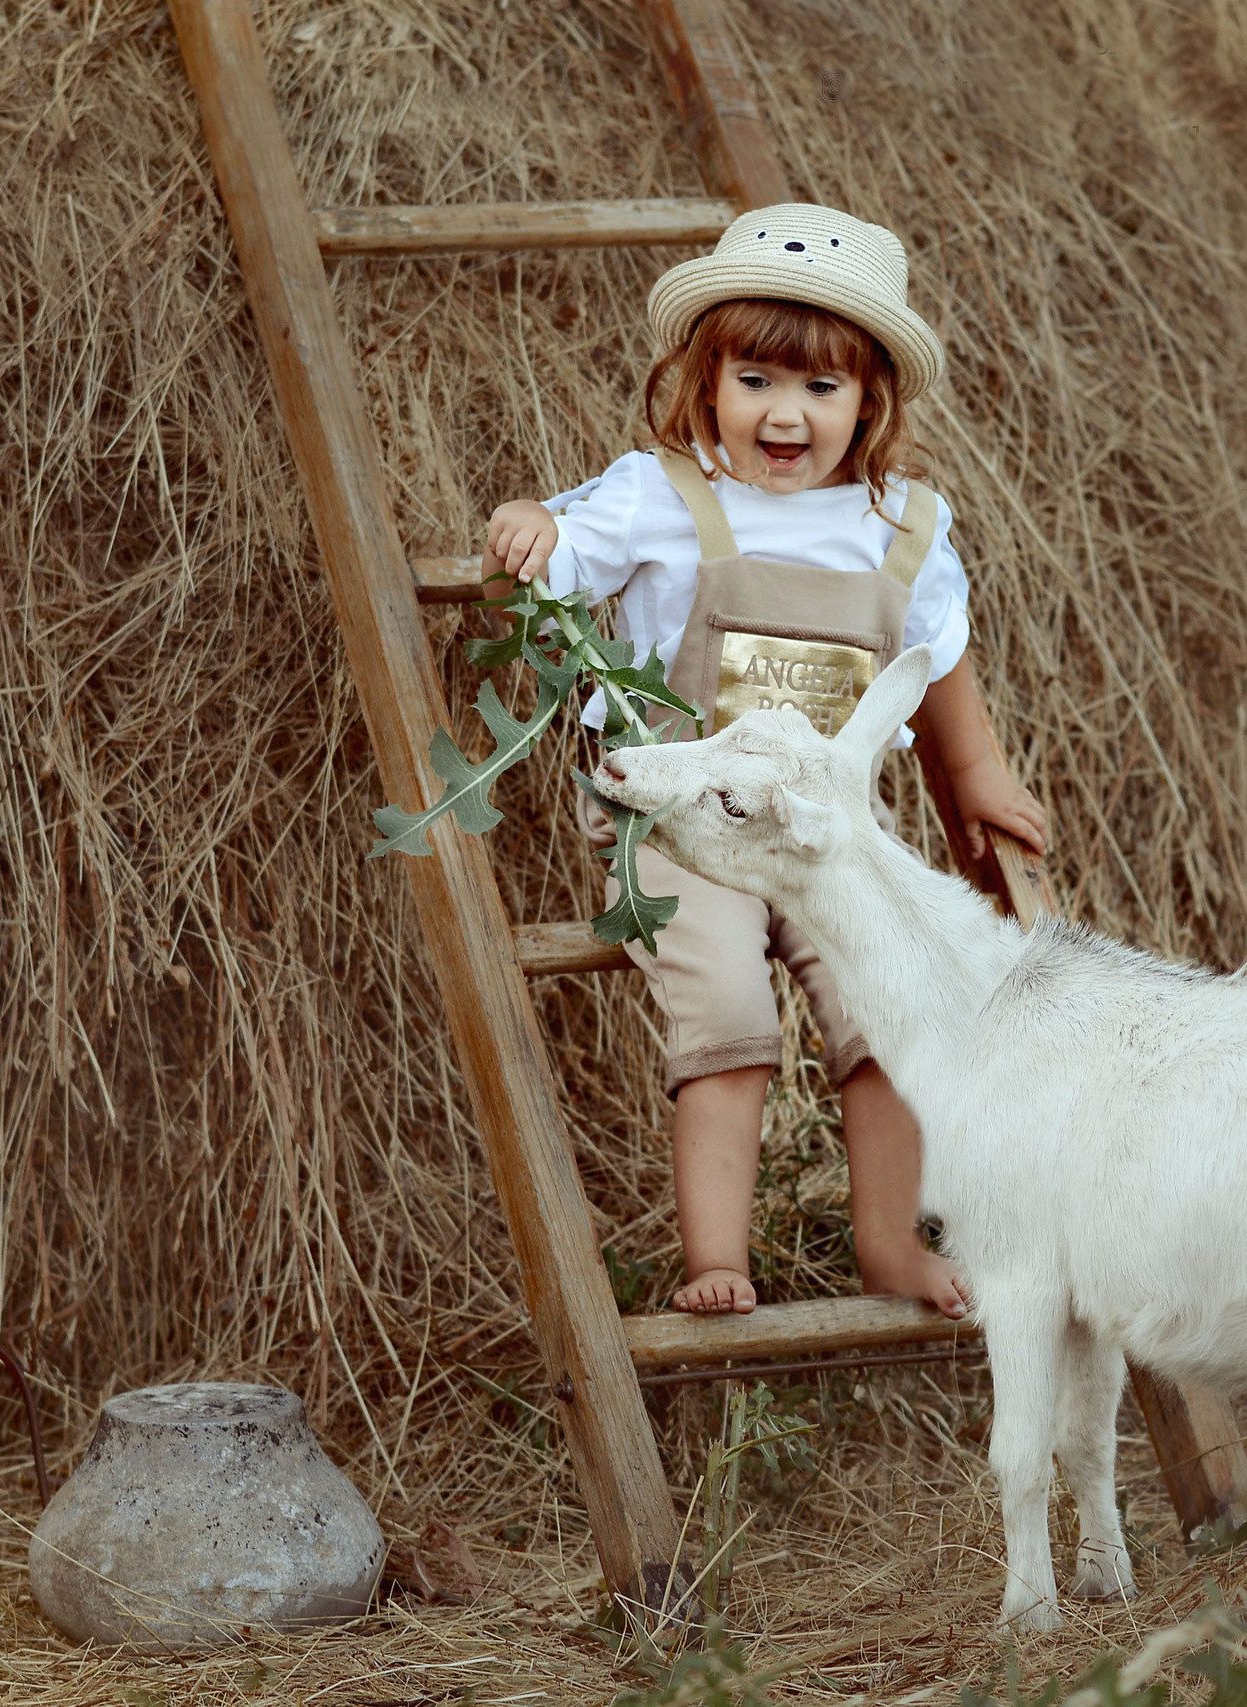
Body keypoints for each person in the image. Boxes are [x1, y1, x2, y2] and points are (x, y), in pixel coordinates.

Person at [483, 205, 1049, 1318]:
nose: (783, 414)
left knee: (886, 1007)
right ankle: (715, 1258)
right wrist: (526, 530)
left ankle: (890, 1244)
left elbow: (938, 665)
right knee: (727, 1001)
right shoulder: (662, 495)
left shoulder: (905, 525)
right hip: (685, 831)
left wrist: (972, 776)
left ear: (869, 400)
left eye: (819, 391)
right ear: (706, 380)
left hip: (826, 831)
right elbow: (550, 562)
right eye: (754, 381)